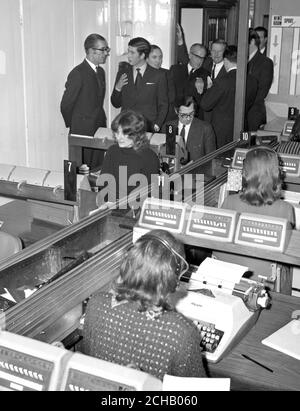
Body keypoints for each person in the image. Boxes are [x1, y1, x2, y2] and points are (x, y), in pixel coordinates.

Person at [81, 229, 206, 380]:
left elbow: (86, 364)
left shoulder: (96, 303)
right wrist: (189, 351)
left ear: (128, 262)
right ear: (174, 279)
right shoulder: (181, 332)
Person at [215, 146, 295, 279]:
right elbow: (287, 254)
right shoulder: (285, 209)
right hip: (267, 279)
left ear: (245, 173)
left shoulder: (229, 201)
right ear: (276, 173)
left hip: (228, 275)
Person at [60, 33, 110, 169]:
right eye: (103, 49)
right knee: (82, 170)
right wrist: (76, 124)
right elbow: (66, 104)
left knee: (97, 168)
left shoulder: (100, 72)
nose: (106, 53)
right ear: (92, 51)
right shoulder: (78, 73)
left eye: (106, 49)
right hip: (82, 130)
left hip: (99, 127)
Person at [96, 110, 160, 208]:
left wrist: (119, 204)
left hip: (134, 208)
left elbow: (148, 193)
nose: (119, 138)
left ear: (137, 134)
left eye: (125, 133)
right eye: (117, 132)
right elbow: (104, 183)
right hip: (111, 204)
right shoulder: (112, 151)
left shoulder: (149, 157)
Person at [201, 46, 257, 148]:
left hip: (221, 132)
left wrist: (209, 89)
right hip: (243, 128)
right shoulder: (253, 81)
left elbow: (205, 105)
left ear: (226, 60)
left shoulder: (221, 82)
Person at [111, 37, 168, 133]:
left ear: (142, 55)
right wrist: (118, 87)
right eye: (128, 51)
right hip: (126, 128)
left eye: (132, 53)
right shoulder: (123, 73)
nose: (128, 55)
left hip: (148, 128)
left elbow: (163, 104)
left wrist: (157, 125)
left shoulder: (158, 75)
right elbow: (115, 103)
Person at [167, 96, 216, 164]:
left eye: (191, 114)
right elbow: (167, 157)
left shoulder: (205, 129)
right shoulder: (170, 127)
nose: (188, 118)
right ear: (176, 111)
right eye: (183, 115)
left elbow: (211, 160)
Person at [170, 42, 209, 120]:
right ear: (190, 55)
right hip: (175, 115)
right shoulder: (175, 69)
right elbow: (169, 90)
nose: (200, 61)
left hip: (194, 117)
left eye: (203, 58)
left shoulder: (206, 75)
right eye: (198, 57)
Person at [247, 29, 274, 131]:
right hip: (237, 113)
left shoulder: (265, 62)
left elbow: (262, 91)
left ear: (253, 41)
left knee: (251, 145)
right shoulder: (240, 59)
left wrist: (245, 104)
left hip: (253, 114)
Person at [147, 45, 177, 123]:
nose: (158, 60)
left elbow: (171, 97)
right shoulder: (141, 75)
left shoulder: (167, 73)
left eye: (160, 57)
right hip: (147, 117)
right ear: (146, 58)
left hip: (166, 117)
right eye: (154, 57)